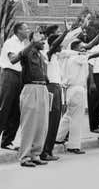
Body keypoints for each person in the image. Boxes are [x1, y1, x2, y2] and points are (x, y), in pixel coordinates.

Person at [56, 39, 99, 154]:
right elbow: (95, 54)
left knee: (69, 115)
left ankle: (58, 138)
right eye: (81, 47)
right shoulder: (77, 58)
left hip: (71, 89)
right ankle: (73, 146)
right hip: (77, 88)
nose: (84, 49)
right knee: (76, 118)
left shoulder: (68, 57)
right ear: (75, 49)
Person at [0, 23, 30, 151]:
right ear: (19, 31)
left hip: (20, 76)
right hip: (10, 75)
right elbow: (13, 59)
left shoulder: (23, 43)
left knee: (17, 111)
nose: (28, 31)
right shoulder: (10, 42)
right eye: (26, 29)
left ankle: (7, 141)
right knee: (4, 108)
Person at [40, 20, 73, 162]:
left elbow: (70, 50)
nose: (61, 47)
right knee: (51, 120)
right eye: (59, 44)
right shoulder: (47, 53)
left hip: (57, 87)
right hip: (51, 88)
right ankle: (44, 151)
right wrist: (65, 32)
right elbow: (54, 45)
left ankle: (49, 150)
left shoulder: (56, 56)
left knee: (56, 120)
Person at [18, 31, 51, 168]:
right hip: (31, 89)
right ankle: (25, 157)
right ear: (32, 41)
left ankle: (35, 154)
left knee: (41, 125)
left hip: (42, 89)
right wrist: (31, 43)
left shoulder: (41, 56)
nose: (44, 43)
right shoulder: (27, 53)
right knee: (29, 124)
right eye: (41, 41)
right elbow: (14, 59)